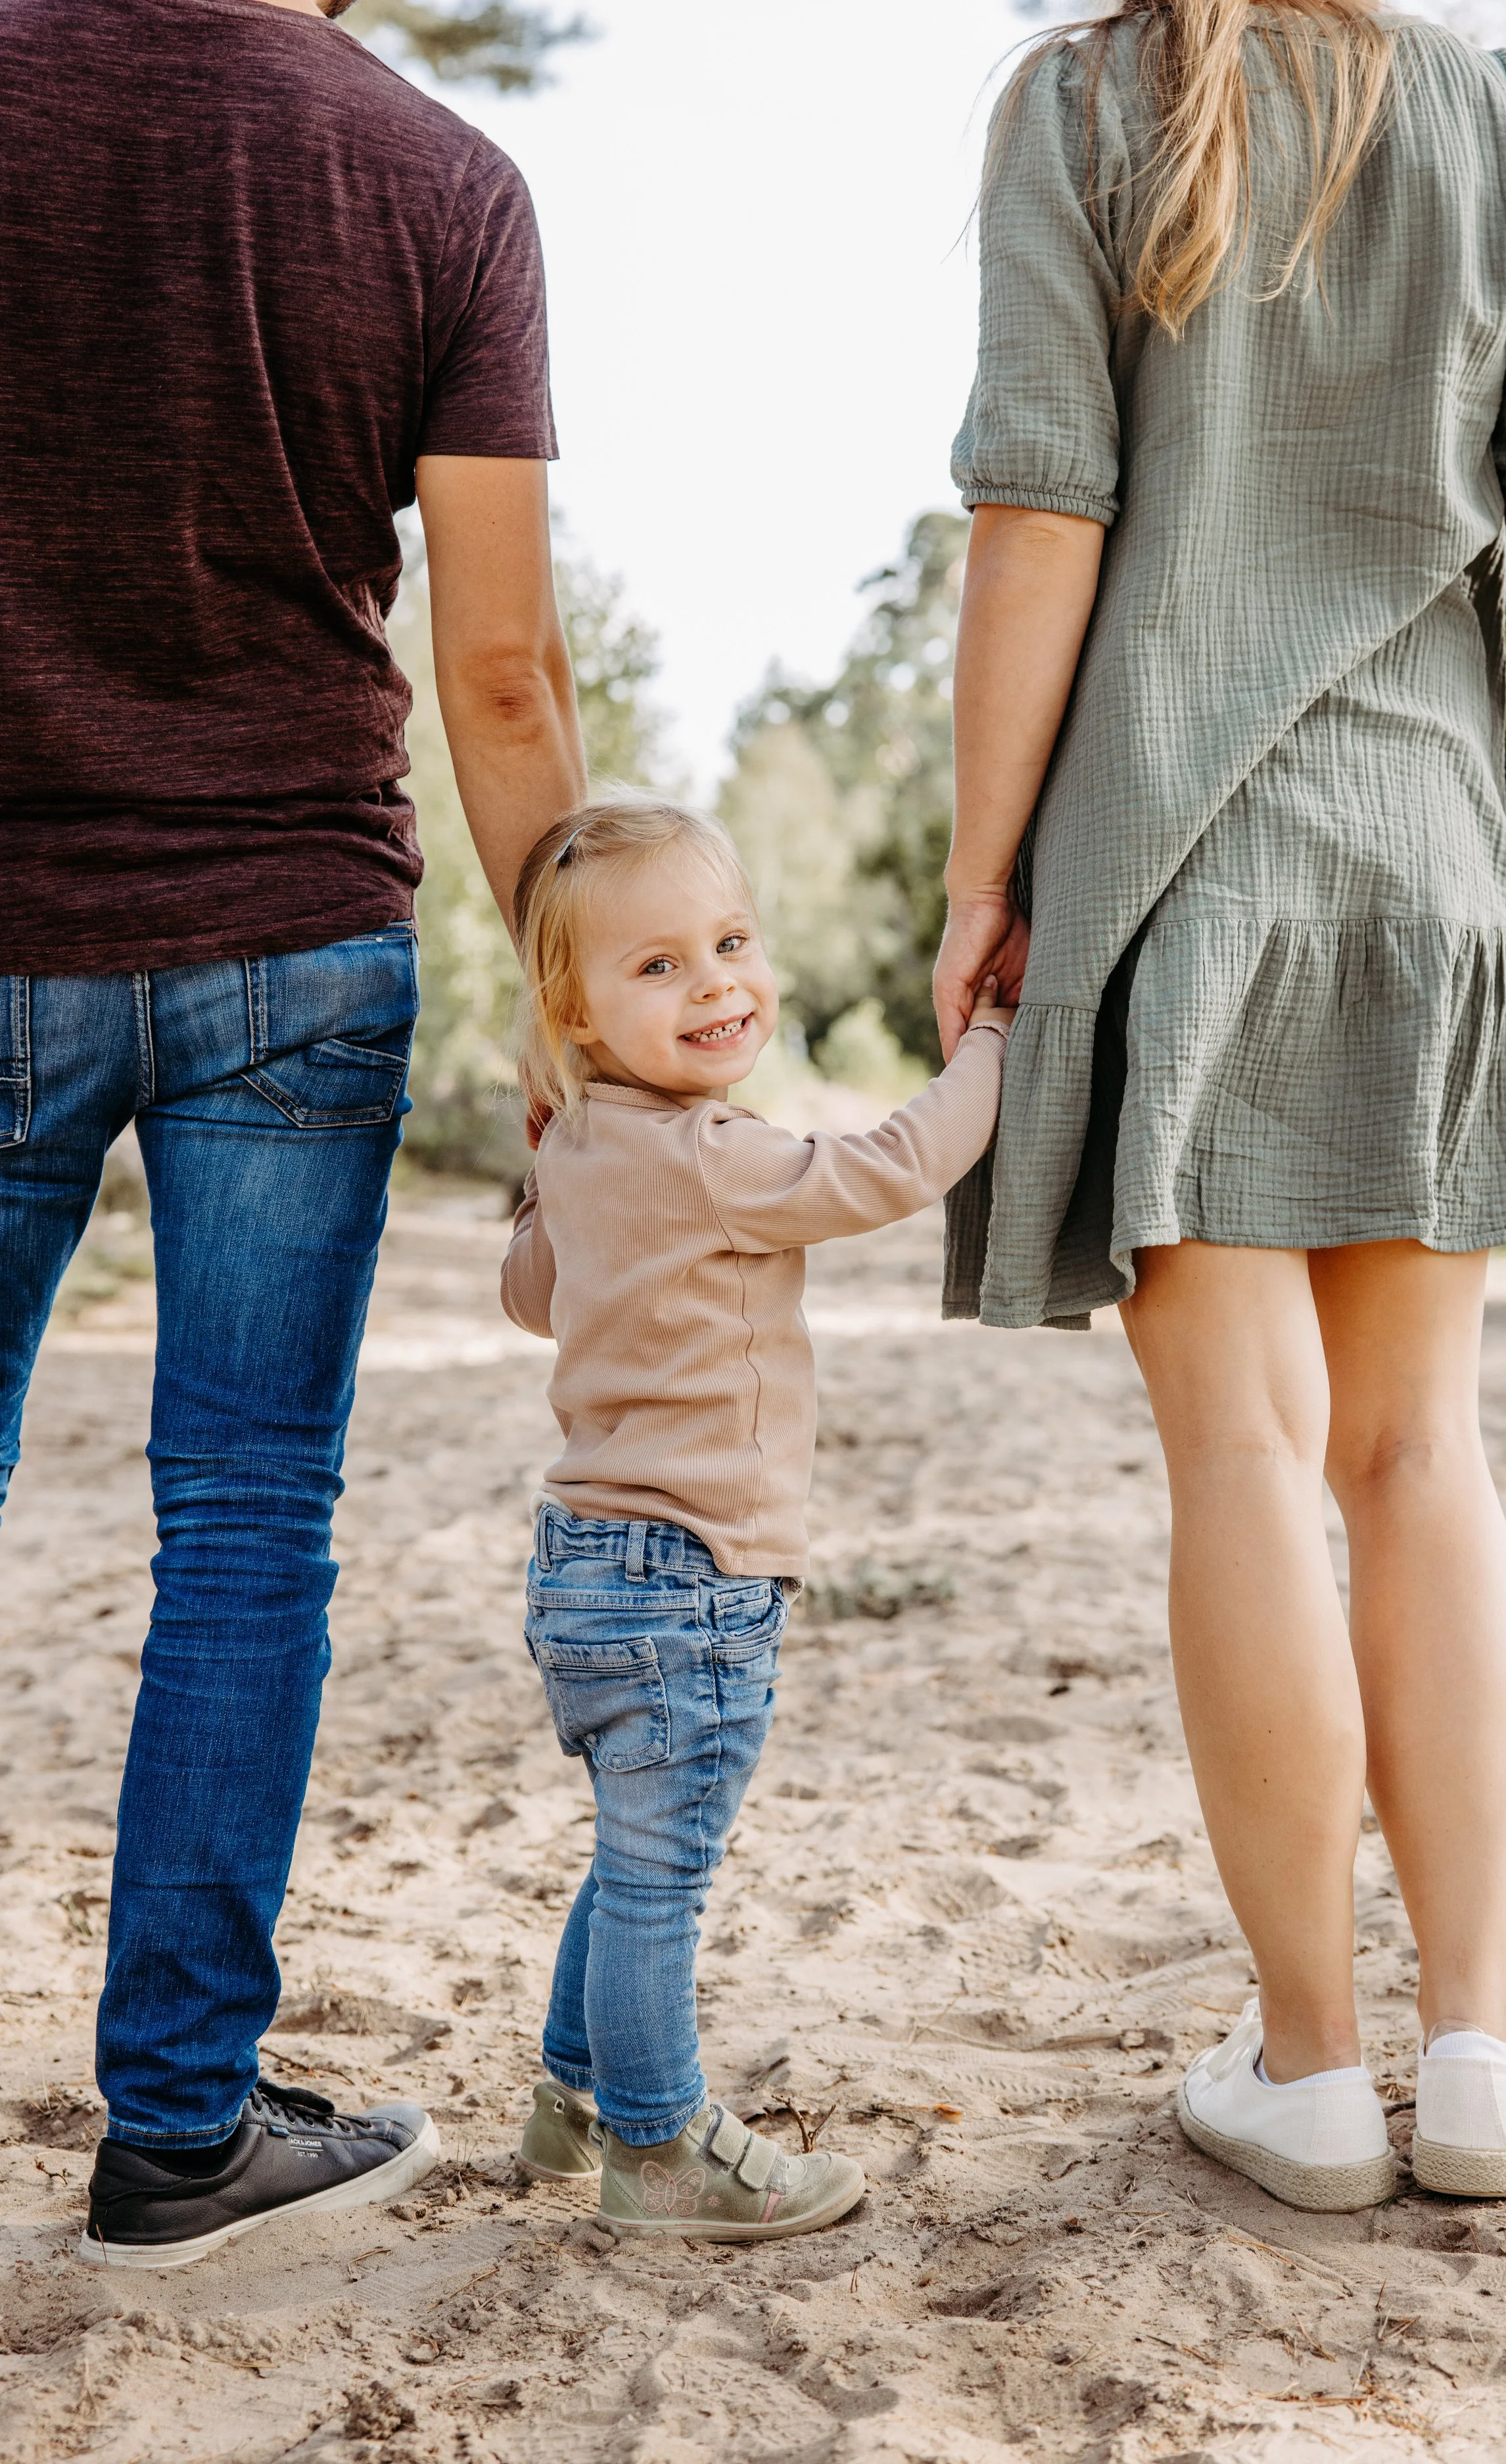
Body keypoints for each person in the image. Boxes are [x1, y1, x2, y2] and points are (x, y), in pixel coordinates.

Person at [935, 0, 1506, 2210]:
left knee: (1241, 1453)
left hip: (1171, 860)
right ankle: (1485, 2039)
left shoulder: (1084, 101)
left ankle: (1314, 2069)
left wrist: (980, 874)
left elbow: (1041, 514)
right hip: (1428, 843)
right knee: (1425, 1452)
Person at [0, 0, 584, 2267]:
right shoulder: (437, 179)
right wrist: (567, 988)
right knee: (246, 1531)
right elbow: (508, 673)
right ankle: (179, 2123)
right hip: (293, 943)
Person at [498, 799, 1010, 2239]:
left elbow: (531, 1296)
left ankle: (573, 2095)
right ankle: (658, 2148)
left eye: (729, 942)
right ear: (575, 1009)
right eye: (655, 966)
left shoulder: (582, 1145)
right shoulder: (702, 1152)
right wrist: (991, 1047)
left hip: (583, 1569)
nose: (716, 981)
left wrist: (546, 1186)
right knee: (663, 1869)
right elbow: (892, 1168)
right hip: (691, 1573)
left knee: (629, 1845)